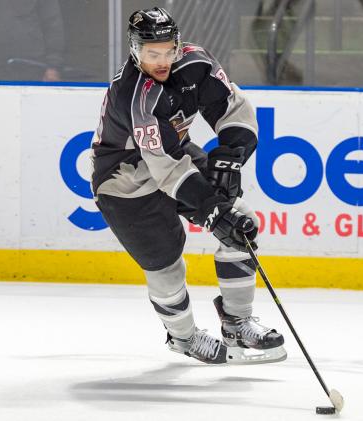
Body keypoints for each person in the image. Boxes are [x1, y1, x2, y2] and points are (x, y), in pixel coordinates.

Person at [90, 7, 286, 365]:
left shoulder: (196, 63)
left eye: (168, 50)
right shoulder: (134, 94)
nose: (162, 60)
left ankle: (237, 322)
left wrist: (231, 154)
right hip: (124, 178)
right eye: (152, 54)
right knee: (165, 265)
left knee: (241, 223)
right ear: (135, 51)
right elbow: (164, 167)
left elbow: (232, 108)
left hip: (174, 154)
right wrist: (211, 209)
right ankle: (183, 338)